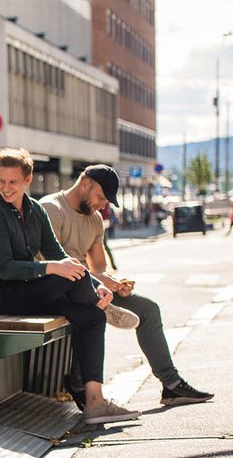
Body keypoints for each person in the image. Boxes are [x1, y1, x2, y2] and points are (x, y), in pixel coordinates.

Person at [0, 148, 139, 426]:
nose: (6, 188)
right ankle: (101, 304)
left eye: (13, 182)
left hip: (28, 291)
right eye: (1, 181)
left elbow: (58, 254)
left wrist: (96, 283)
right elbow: (5, 269)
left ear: (28, 180)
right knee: (64, 273)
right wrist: (52, 268)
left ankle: (94, 403)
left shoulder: (35, 210)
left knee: (92, 316)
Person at [40, 165, 212, 407]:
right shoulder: (52, 209)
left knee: (148, 309)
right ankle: (79, 385)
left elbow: (98, 266)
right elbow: (52, 263)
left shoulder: (95, 219)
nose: (103, 205)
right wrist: (100, 281)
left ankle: (172, 385)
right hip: (60, 289)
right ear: (85, 183)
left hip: (93, 286)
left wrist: (115, 284)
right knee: (93, 308)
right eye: (101, 197)